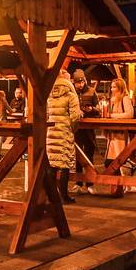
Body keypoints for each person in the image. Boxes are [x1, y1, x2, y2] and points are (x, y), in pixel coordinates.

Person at [46, 67, 80, 204]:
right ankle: (64, 196)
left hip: (51, 132)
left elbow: (46, 114)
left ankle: (51, 195)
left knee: (52, 165)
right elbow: (76, 117)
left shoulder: (48, 94)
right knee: (65, 165)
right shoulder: (71, 95)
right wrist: (73, 129)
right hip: (65, 131)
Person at [106, 78, 136, 188]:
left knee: (122, 160)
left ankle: (132, 183)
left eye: (114, 87)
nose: (112, 89)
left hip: (122, 135)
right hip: (113, 134)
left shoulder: (125, 98)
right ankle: (122, 185)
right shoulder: (113, 100)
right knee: (111, 161)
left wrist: (113, 116)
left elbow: (129, 114)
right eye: (111, 86)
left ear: (120, 88)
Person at [72, 69, 99, 193]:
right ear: (74, 82)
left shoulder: (92, 91)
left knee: (89, 154)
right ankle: (78, 182)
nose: (80, 84)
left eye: (82, 82)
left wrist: (91, 109)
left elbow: (98, 109)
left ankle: (90, 184)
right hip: (77, 127)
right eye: (78, 82)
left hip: (89, 128)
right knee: (77, 155)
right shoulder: (71, 92)